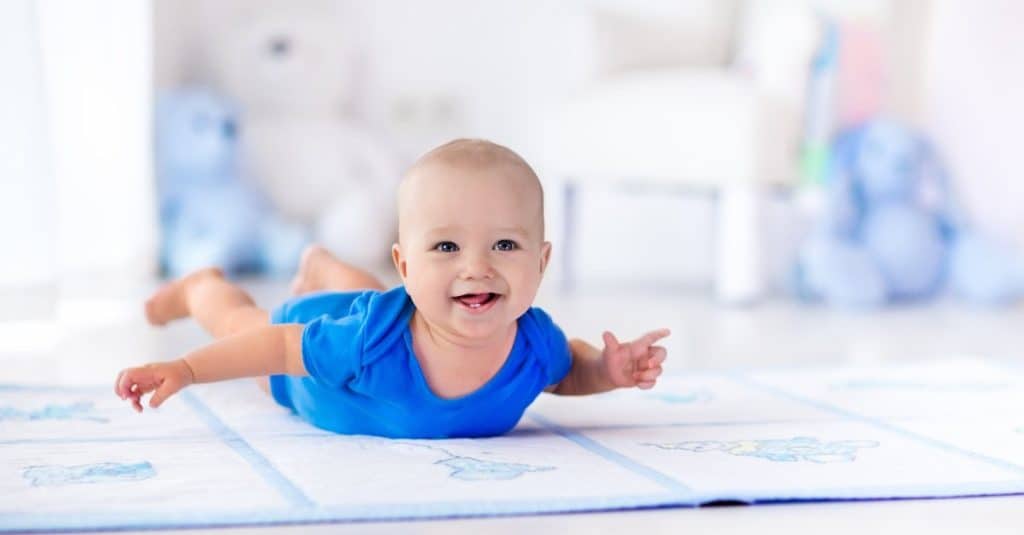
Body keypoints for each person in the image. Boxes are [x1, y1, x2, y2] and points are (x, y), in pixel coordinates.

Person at [115, 138, 670, 438]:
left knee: (367, 293)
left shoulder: (533, 343)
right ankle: (200, 288)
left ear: (542, 262)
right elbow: (282, 346)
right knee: (245, 322)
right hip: (307, 354)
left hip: (377, 306)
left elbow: (567, 372)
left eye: (504, 246)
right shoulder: (366, 342)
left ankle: (325, 264)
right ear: (407, 265)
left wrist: (607, 371)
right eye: (447, 248)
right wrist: (185, 370)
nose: (476, 268)